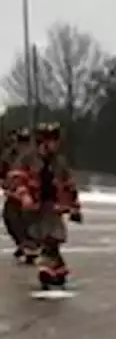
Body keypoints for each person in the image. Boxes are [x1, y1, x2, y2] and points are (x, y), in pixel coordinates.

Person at [13, 122, 80, 287]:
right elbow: (17, 178)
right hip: (34, 206)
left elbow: (69, 185)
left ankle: (54, 269)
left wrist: (75, 207)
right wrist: (24, 196)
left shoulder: (59, 162)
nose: (56, 145)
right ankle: (50, 268)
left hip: (53, 205)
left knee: (54, 238)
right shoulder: (29, 159)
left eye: (57, 141)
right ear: (43, 142)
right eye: (52, 141)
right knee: (45, 237)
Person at [1, 127, 37, 263]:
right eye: (20, 140)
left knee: (27, 221)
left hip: (30, 194)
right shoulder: (9, 155)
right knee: (10, 218)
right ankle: (24, 244)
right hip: (14, 194)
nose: (22, 144)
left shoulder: (34, 156)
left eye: (25, 140)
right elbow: (3, 170)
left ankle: (30, 246)